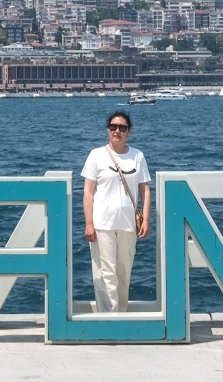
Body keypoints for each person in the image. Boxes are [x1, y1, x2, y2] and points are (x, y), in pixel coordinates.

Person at [81, 110, 151, 312]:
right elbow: (88, 192)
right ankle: (108, 317)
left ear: (129, 131)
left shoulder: (137, 156)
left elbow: (145, 190)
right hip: (102, 223)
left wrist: (146, 219)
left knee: (123, 272)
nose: (117, 131)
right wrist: (89, 223)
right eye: (113, 127)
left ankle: (121, 314)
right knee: (106, 273)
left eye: (122, 128)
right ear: (107, 130)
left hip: (128, 224)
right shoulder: (96, 155)